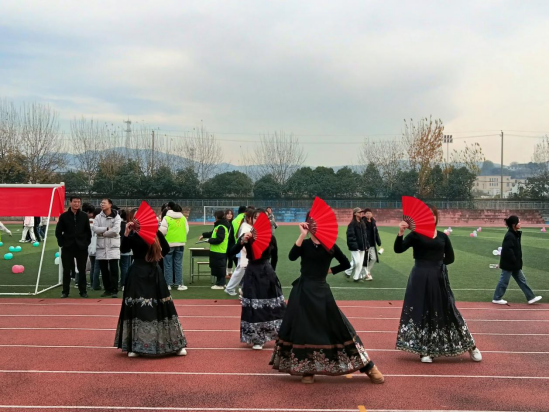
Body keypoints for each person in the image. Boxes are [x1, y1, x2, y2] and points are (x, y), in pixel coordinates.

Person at [270, 218, 385, 385]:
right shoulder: (305, 244)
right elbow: (292, 256)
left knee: (339, 327)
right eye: (311, 223)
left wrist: (330, 270)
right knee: (302, 329)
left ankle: (368, 366)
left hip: (321, 290)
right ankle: (307, 370)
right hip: (302, 291)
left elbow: (345, 263)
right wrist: (302, 235)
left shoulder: (330, 245)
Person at [394, 205, 482, 363]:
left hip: (438, 277)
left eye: (433, 215)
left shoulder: (443, 236)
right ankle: (424, 351)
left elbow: (450, 258)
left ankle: (471, 346)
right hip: (419, 277)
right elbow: (398, 249)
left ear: (436, 218)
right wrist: (400, 233)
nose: (430, 217)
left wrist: (437, 264)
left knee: (449, 310)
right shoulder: (415, 235)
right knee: (422, 311)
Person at [114, 214, 187, 358]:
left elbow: (166, 248)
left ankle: (172, 344)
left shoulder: (155, 233)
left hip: (151, 272)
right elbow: (124, 249)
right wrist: (126, 233)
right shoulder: (136, 234)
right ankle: (135, 346)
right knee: (139, 306)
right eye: (135, 220)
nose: (136, 222)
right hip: (140, 273)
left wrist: (155, 257)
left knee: (160, 305)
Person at [230, 209, 285, 350]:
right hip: (252, 272)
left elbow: (275, 257)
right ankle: (257, 339)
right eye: (255, 217)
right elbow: (231, 252)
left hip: (267, 272)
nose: (257, 219)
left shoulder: (271, 237)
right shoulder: (247, 236)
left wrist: (272, 273)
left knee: (272, 305)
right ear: (251, 220)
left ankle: (277, 334)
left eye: (261, 217)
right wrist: (242, 241)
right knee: (254, 305)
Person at [493, 216, 543, 306]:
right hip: (509, 264)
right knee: (504, 281)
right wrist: (514, 260)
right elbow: (508, 250)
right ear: (514, 224)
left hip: (514, 264)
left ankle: (530, 297)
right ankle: (496, 298)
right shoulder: (510, 235)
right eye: (519, 222)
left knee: (522, 280)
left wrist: (516, 261)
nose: (520, 223)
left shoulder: (514, 234)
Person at [55, 196, 92, 299]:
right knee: (67, 270)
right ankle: (65, 291)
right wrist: (61, 243)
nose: (77, 204)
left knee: (82, 270)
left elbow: (88, 232)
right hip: (68, 247)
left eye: (78, 202)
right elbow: (58, 231)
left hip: (81, 247)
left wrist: (86, 243)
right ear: (70, 203)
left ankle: (83, 291)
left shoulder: (84, 216)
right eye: (75, 202)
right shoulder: (64, 216)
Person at [93, 199, 122, 298]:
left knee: (114, 269)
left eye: (104, 203)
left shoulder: (117, 217)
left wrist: (103, 233)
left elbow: (116, 230)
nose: (102, 204)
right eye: (101, 203)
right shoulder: (98, 217)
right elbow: (95, 229)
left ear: (110, 205)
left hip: (113, 247)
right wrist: (106, 229)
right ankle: (107, 289)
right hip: (101, 247)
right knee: (104, 270)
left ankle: (114, 290)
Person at [159, 204, 190, 291]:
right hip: (180, 243)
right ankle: (179, 284)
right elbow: (186, 230)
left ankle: (168, 284)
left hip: (168, 244)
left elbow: (162, 231)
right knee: (178, 264)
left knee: (167, 265)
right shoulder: (183, 218)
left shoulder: (166, 218)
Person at [225, 208, 254, 297]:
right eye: (253, 217)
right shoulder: (246, 227)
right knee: (242, 271)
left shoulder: (246, 225)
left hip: (245, 252)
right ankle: (235, 289)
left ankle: (232, 288)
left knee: (241, 271)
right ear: (248, 218)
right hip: (245, 253)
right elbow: (243, 241)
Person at [200, 210, 229, 290]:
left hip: (219, 250)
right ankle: (221, 282)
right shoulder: (219, 226)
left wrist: (209, 240)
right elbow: (212, 233)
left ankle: (220, 284)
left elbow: (219, 239)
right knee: (218, 267)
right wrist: (204, 235)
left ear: (216, 217)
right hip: (217, 250)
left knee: (219, 267)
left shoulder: (221, 227)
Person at [344, 208, 369, 282]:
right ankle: (347, 271)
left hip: (363, 246)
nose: (361, 213)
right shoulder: (352, 224)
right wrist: (355, 246)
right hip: (355, 247)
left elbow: (365, 236)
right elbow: (350, 236)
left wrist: (367, 245)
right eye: (359, 212)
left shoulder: (362, 223)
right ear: (355, 214)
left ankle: (356, 277)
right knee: (357, 262)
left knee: (360, 263)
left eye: (361, 212)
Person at [362, 208, 382, 281]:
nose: (368, 214)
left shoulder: (373, 222)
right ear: (364, 214)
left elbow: (376, 233)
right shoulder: (362, 222)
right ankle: (366, 274)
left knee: (374, 258)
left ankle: (366, 272)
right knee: (366, 260)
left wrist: (379, 242)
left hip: (372, 244)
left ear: (372, 214)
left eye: (369, 213)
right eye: (367, 213)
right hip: (365, 244)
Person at [119, 209, 133, 290]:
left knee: (122, 266)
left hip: (118, 247)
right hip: (127, 248)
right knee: (126, 266)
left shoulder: (118, 224)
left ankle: (123, 282)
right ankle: (125, 283)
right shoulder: (129, 225)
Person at [88, 208, 102, 291]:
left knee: (93, 266)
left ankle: (92, 283)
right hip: (97, 246)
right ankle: (95, 284)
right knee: (97, 267)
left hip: (90, 246)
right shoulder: (99, 223)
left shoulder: (89, 222)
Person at [225, 209, 236, 278]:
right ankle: (225, 273)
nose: (229, 215)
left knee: (231, 258)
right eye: (228, 214)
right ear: (225, 215)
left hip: (232, 243)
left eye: (231, 214)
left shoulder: (233, 223)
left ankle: (230, 272)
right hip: (224, 243)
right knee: (225, 258)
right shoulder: (223, 223)